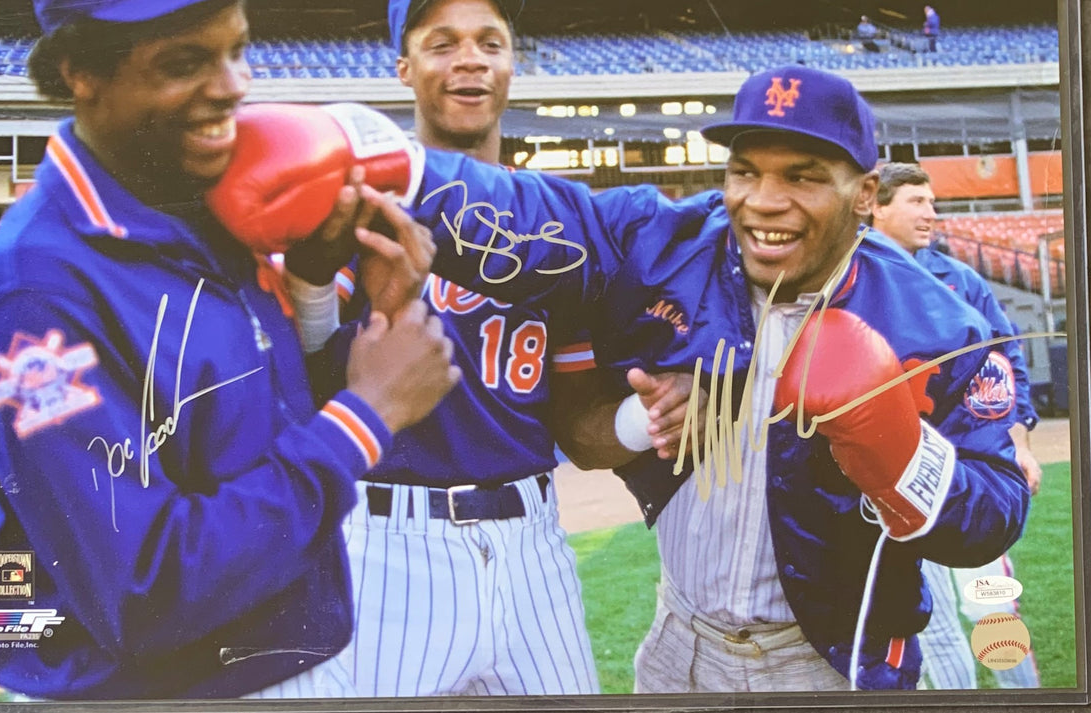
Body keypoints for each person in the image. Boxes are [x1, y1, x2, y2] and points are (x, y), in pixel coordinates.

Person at [215, 65, 1030, 691]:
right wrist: (395, 167)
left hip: (828, 659)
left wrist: (899, 460)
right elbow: (546, 215)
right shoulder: (671, 242)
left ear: (862, 195)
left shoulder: (942, 323)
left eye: (803, 176)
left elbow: (993, 513)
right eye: (746, 170)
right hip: (680, 643)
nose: (763, 201)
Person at [0, 0, 457, 701]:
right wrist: (366, 417)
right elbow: (141, 592)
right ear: (80, 70)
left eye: (238, 51)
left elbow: (245, 439)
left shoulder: (201, 206)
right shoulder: (31, 295)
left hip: (274, 664)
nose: (232, 87)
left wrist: (319, 289)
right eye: (185, 62)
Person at [315, 0, 602, 696]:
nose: (469, 59)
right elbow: (300, 369)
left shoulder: (557, 216)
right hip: (388, 541)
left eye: (490, 41)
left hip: (535, 540)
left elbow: (578, 423)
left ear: (512, 64)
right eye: (442, 43)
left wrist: (647, 415)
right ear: (404, 66)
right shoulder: (361, 201)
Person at [871, 161, 1041, 690]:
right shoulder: (851, 277)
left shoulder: (957, 277)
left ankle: (1027, 700)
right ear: (876, 205)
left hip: (970, 472)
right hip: (894, 478)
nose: (931, 212)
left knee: (993, 609)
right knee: (932, 622)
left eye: (932, 201)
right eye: (916, 202)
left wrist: (1019, 446)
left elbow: (1005, 359)